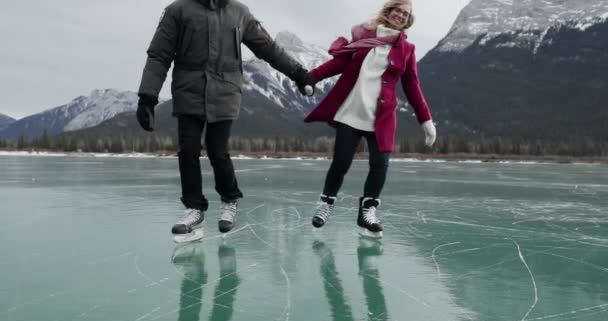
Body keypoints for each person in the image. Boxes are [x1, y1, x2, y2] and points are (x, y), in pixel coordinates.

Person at [135, 0, 315, 237]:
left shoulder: (238, 12)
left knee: (217, 149)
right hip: (189, 90)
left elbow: (267, 48)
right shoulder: (178, 11)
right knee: (187, 149)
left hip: (225, 92)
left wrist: (299, 73)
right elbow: (160, 54)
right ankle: (194, 208)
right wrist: (147, 96)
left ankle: (230, 199)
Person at [303, 0, 436, 237]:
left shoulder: (407, 49)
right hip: (352, 111)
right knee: (341, 162)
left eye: (406, 14)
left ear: (408, 20)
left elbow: (413, 87)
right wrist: (310, 78)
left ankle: (367, 211)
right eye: (398, 10)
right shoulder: (365, 38)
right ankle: (325, 203)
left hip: (382, 117)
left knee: (380, 166)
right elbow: (339, 64)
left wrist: (426, 120)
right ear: (389, 11)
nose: (401, 15)